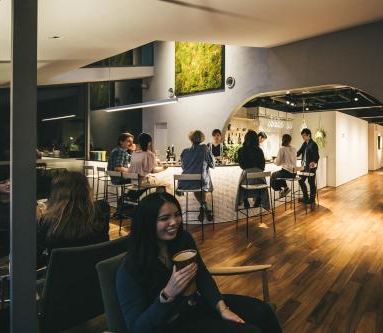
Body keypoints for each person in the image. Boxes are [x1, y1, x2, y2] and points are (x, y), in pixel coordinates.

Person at [116, 192, 282, 333]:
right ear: (147, 223)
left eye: (177, 215)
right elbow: (137, 328)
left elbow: (201, 275)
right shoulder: (130, 269)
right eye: (165, 218)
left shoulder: (182, 240)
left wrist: (222, 308)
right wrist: (167, 295)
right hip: (173, 325)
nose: (174, 222)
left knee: (264, 312)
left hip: (196, 306)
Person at [36, 171, 110, 265]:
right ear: (87, 190)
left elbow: (37, 257)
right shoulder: (102, 210)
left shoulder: (46, 221)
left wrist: (44, 214)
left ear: (56, 194)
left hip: (60, 277)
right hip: (96, 273)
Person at [178, 130, 215, 222]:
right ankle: (205, 206)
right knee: (202, 182)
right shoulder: (204, 148)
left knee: (196, 185)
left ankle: (204, 206)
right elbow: (212, 165)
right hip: (200, 181)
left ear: (190, 139)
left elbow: (183, 167)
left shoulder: (185, 151)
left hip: (185, 183)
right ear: (202, 138)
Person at [237, 130, 269, 209]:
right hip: (259, 180)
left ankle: (245, 199)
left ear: (245, 138)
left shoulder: (241, 150)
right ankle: (259, 198)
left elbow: (242, 166)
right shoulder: (259, 150)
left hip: (247, 181)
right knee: (258, 182)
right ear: (256, 139)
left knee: (242, 182)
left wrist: (249, 169)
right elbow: (263, 167)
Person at [297, 128, 320, 205]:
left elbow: (317, 156)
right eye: (302, 136)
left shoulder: (313, 144)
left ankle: (312, 199)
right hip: (304, 167)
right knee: (300, 180)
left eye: (304, 136)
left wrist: (314, 162)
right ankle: (306, 197)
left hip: (311, 167)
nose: (302, 137)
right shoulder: (304, 143)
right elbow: (299, 152)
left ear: (308, 135)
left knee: (311, 182)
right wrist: (291, 155)